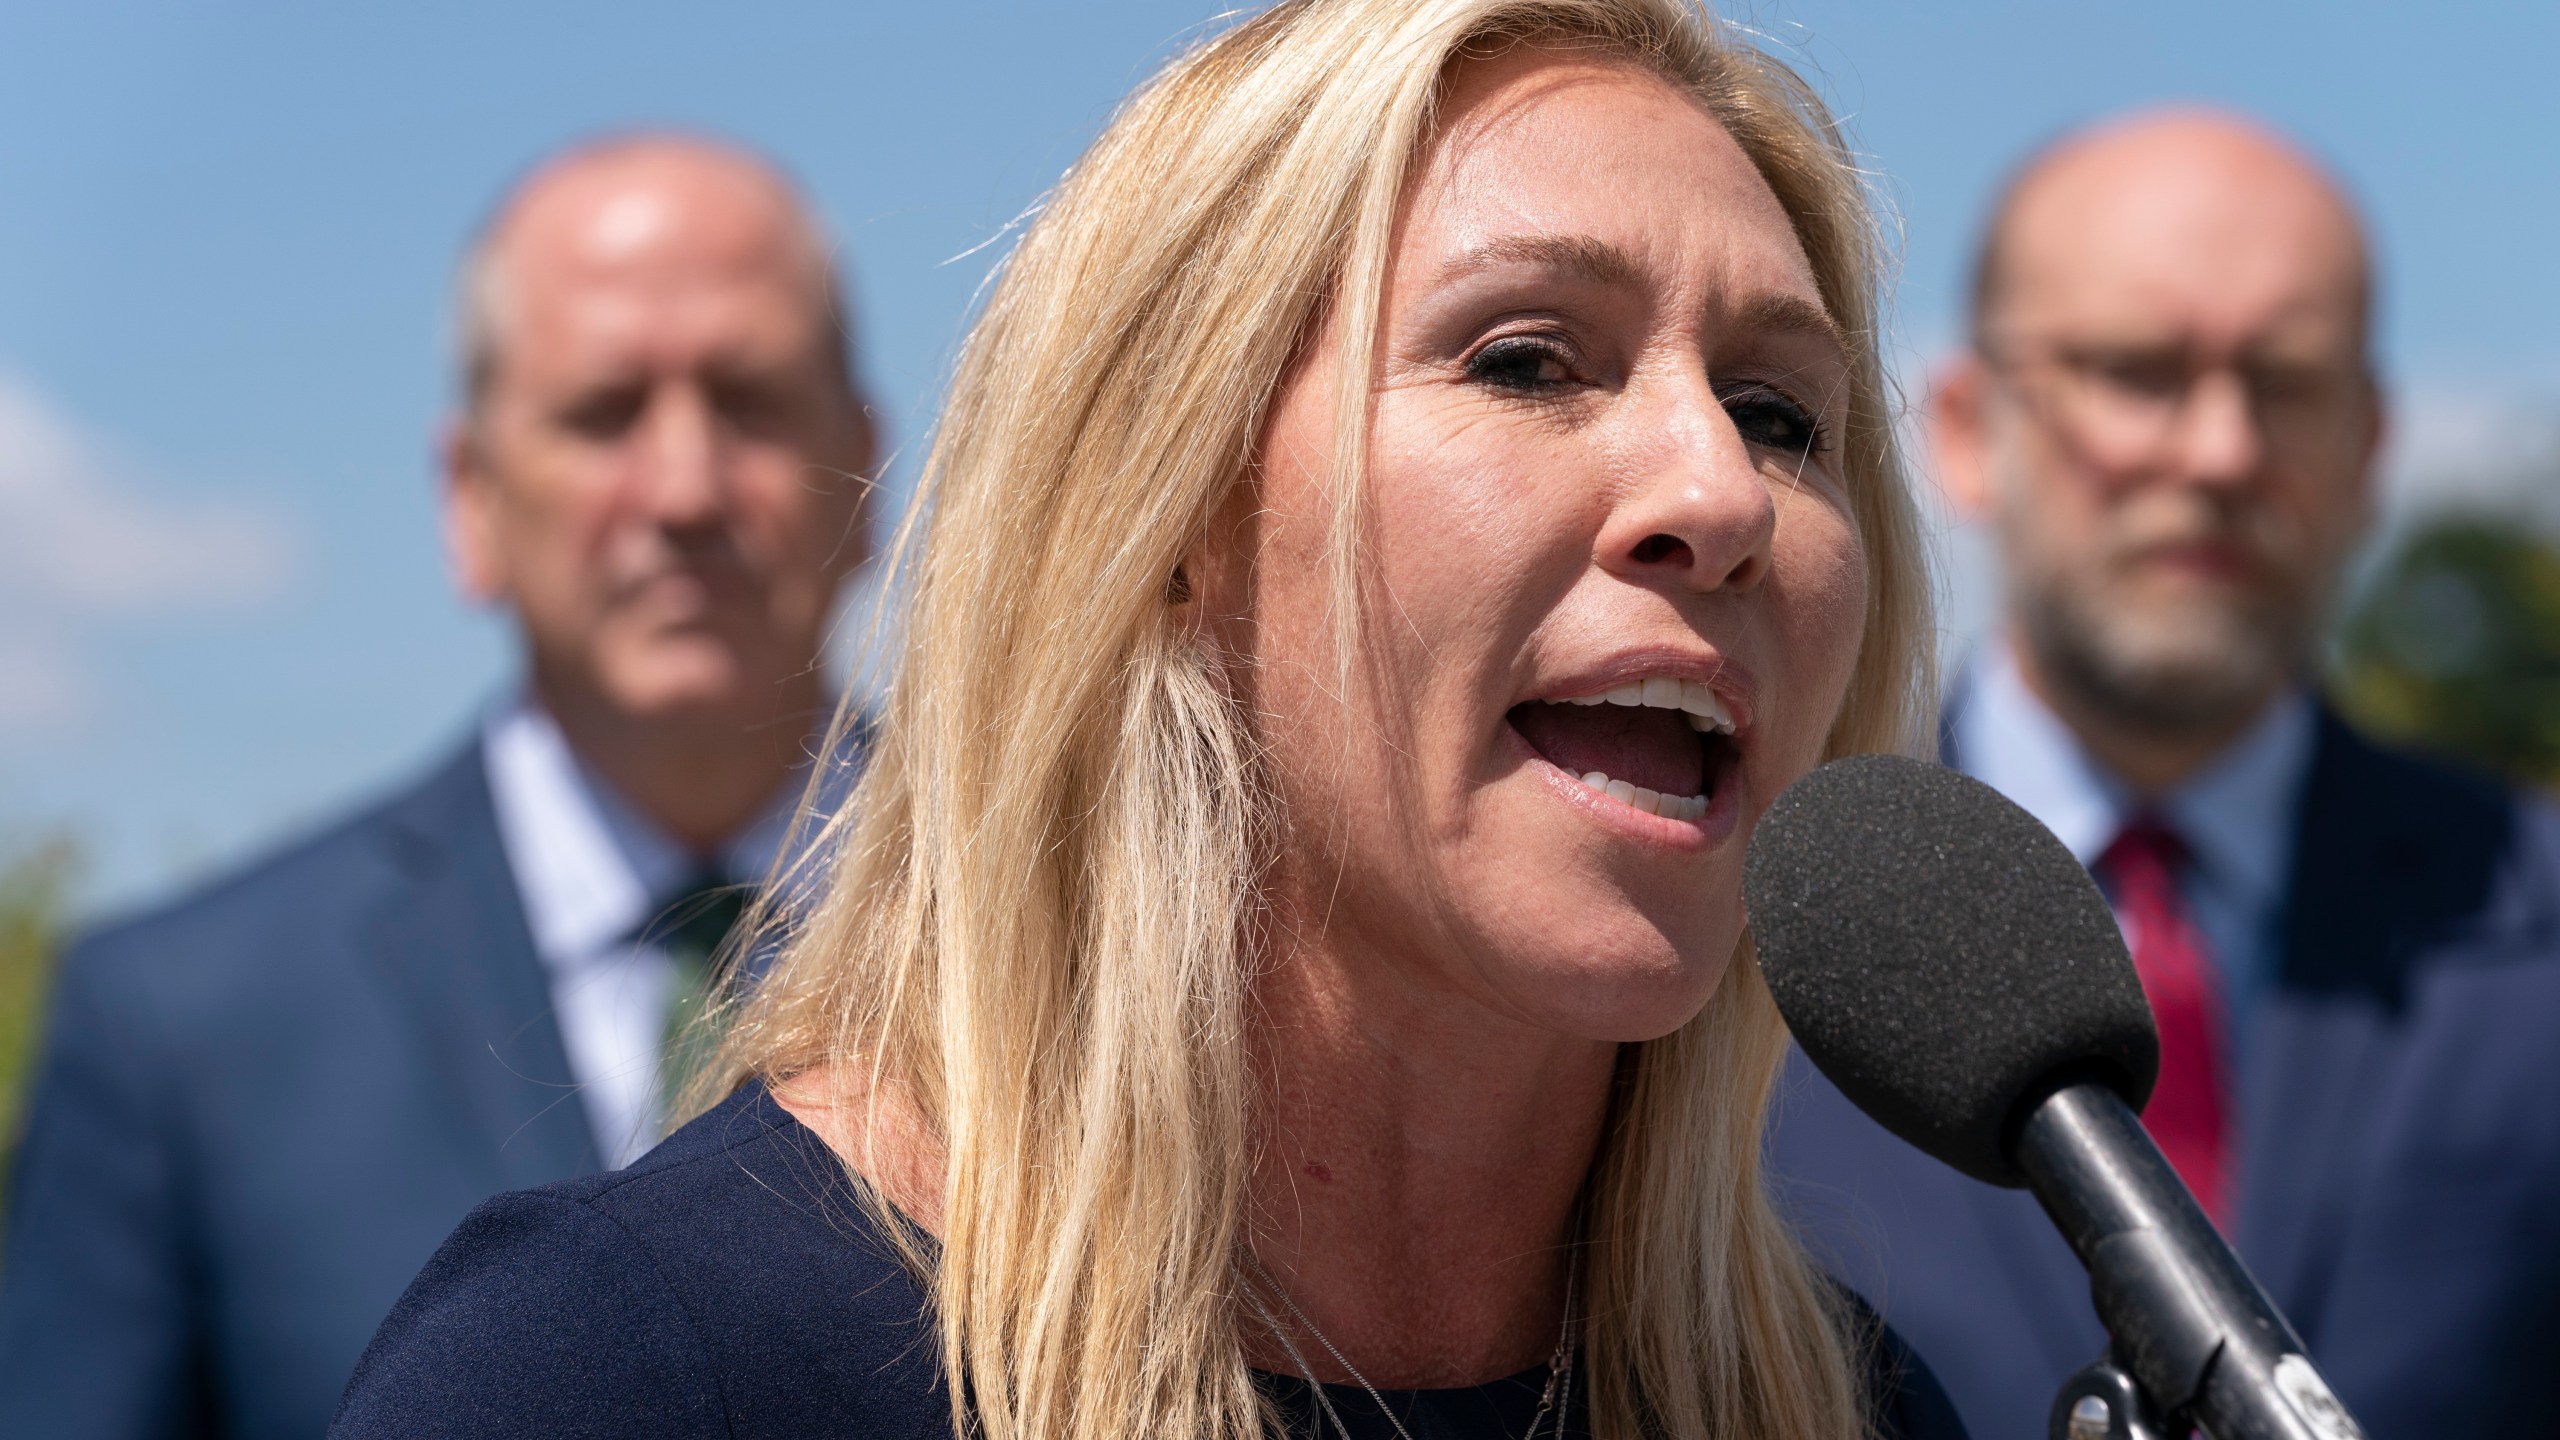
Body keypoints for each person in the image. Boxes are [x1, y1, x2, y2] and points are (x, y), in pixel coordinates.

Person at [329, 2, 1968, 1437]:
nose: (1716, 489)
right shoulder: (620, 1374)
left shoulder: (1846, 1405)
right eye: (1531, 360)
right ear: (1169, 508)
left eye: (1779, 414)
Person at [0, 135, 877, 1439]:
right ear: (470, 498)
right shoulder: (182, 1033)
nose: (684, 487)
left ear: (866, 470)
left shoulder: (1101, 944)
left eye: (749, 401)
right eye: (602, 413)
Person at [1765, 108, 2560, 1439]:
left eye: (2287, 381)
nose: (2217, 452)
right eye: (2139, 371)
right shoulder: (1735, 945)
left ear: (2369, 446)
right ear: (1964, 426)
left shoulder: (2536, 925)